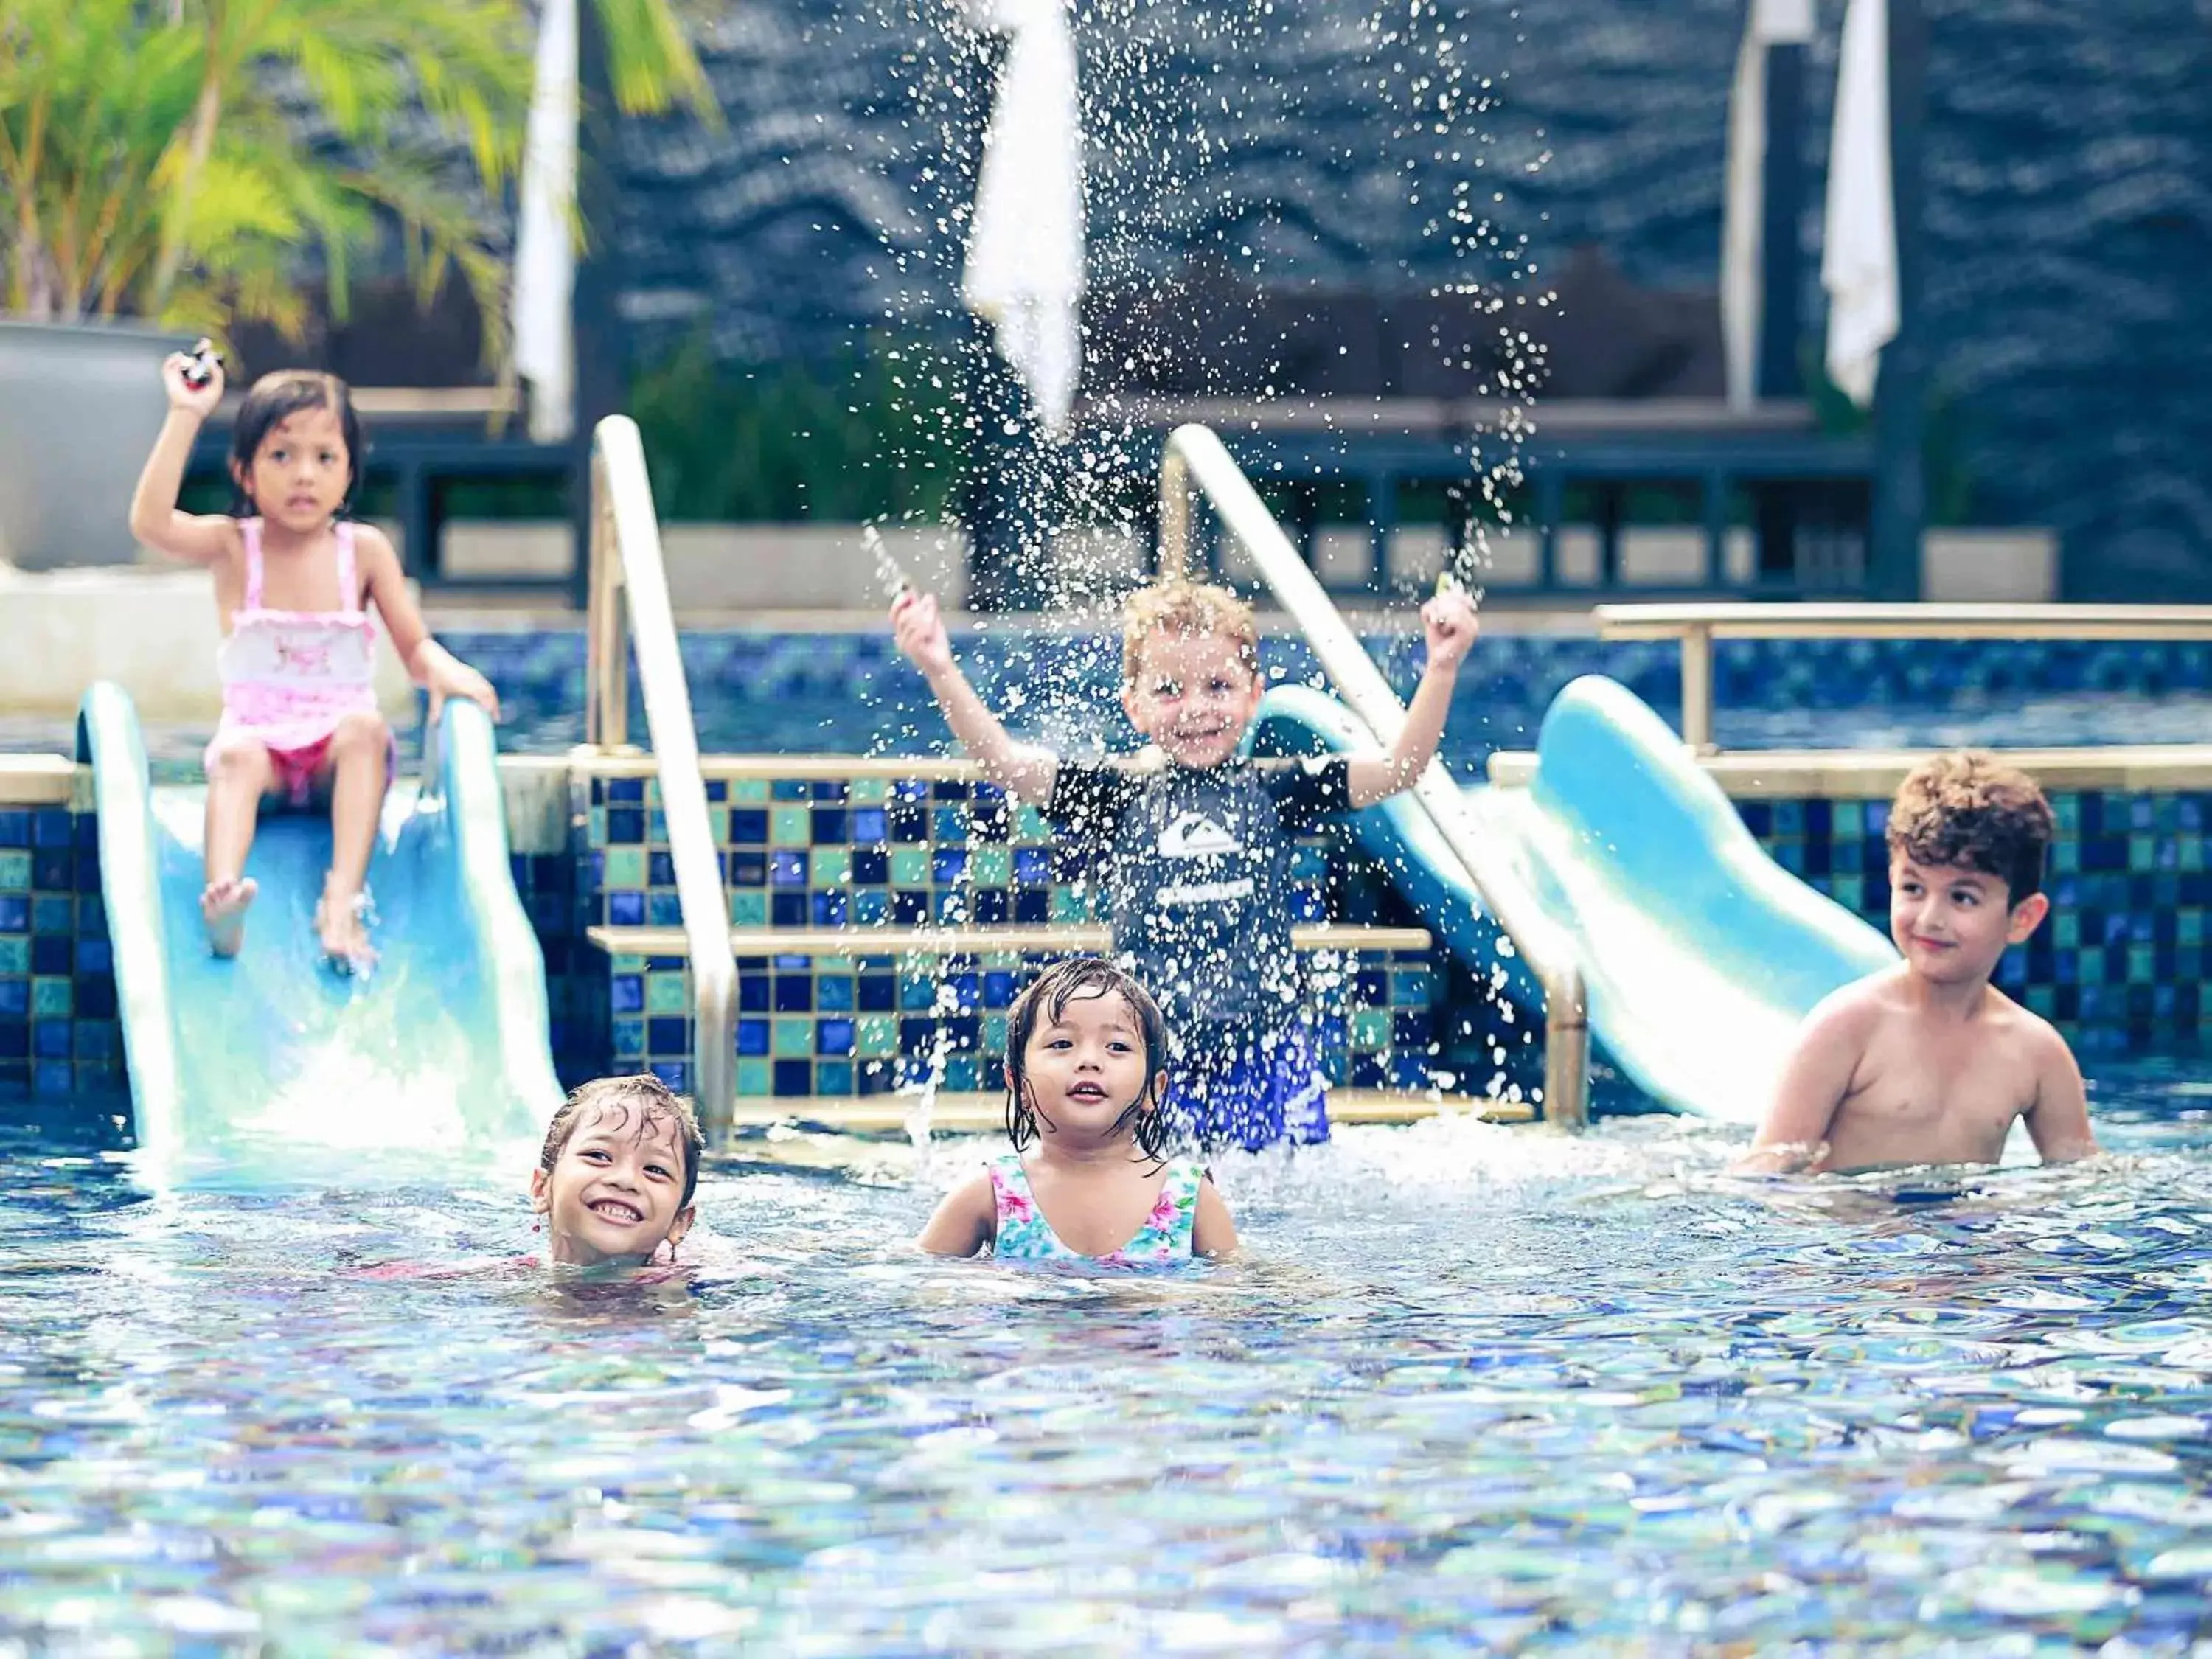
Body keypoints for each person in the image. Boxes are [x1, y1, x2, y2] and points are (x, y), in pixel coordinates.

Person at [892, 576, 1478, 1149]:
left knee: (1286, 1206)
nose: (1195, 708)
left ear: (1254, 696)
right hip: (1154, 1063)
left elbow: (1403, 767)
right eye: (1170, 689)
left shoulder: (1280, 789)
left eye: (1218, 686)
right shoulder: (1119, 795)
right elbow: (1007, 766)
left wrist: (1442, 667)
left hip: (1268, 1051)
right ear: (1135, 707)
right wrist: (939, 666)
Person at [127, 352, 501, 970]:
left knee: (367, 732)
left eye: (324, 457)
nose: (304, 474)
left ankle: (342, 897)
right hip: (263, 750)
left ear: (350, 472)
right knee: (237, 758)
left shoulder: (366, 551)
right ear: (244, 472)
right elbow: (149, 522)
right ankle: (223, 897)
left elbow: (415, 650)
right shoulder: (232, 546)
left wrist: (446, 669)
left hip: (333, 752)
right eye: (281, 455)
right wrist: (186, 413)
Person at [1737, 751, 2098, 1175]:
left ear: (2022, 918)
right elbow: (1767, 1171)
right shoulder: (1850, 1026)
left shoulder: (2036, 1053)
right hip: (1848, 1235)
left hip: (1966, 1238)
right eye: (1913, 888)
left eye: (1963, 897)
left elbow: (2080, 1178)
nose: (1930, 918)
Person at [918, 956, 1237, 1262]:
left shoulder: (1189, 1198)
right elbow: (922, 1286)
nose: (1089, 1060)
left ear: (1153, 1090)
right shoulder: (990, 1195)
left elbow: (1232, 1298)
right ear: (1018, 1082)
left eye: (1117, 1047)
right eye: (1061, 1044)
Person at [531, 1074, 706, 1267]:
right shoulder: (509, 1280)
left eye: (654, 1169)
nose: (625, 1180)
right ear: (542, 1189)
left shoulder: (689, 1285)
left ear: (679, 1222)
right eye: (598, 1156)